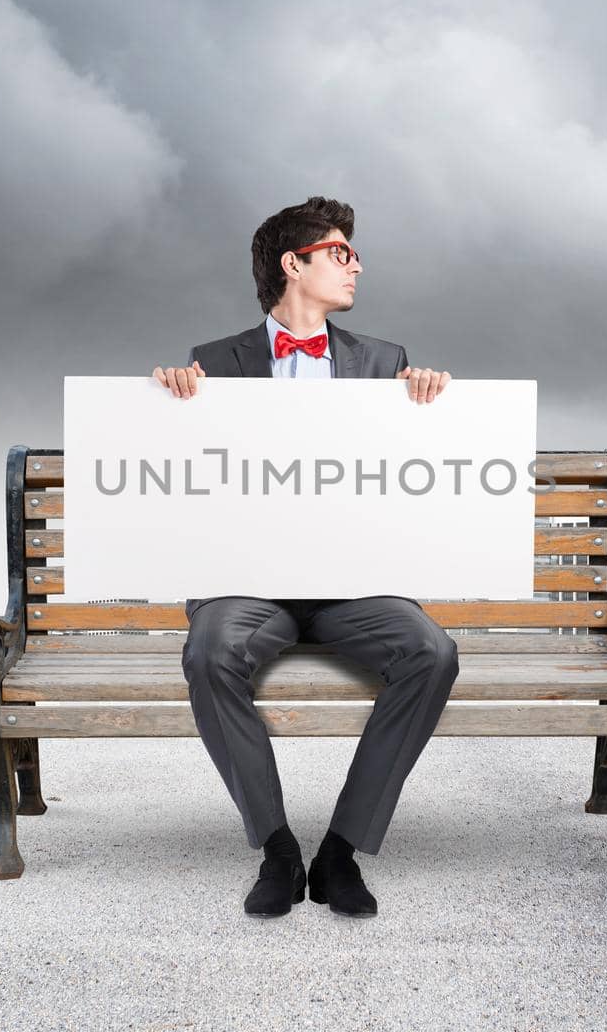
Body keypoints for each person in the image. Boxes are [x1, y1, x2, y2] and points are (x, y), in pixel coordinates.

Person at [150, 195, 459, 918]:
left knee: (432, 651)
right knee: (209, 652)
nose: (357, 264)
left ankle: (341, 851)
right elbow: (187, 481)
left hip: (352, 589)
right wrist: (168, 407)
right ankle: (279, 851)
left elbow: (413, 475)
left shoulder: (387, 362)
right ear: (295, 264)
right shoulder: (210, 363)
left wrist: (430, 402)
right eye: (340, 252)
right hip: (254, 589)